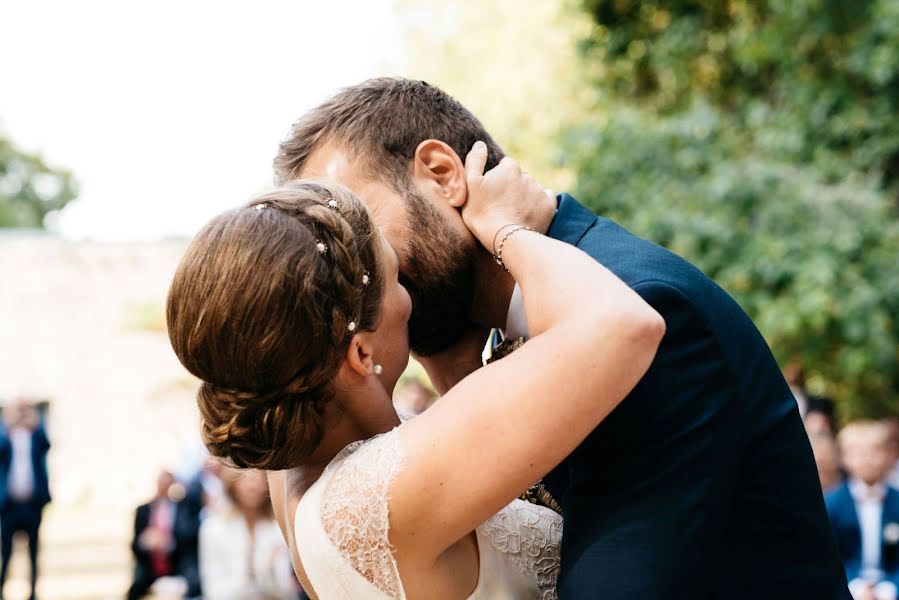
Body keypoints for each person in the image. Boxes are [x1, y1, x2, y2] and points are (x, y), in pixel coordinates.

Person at [271, 77, 850, 598]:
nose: (352, 279)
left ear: (443, 175)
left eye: (360, 228)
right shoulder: (496, 334)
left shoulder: (642, 307)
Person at [166, 157, 665, 598]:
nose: (410, 299)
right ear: (360, 352)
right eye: (395, 281)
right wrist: (507, 229)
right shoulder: (374, 495)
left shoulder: (295, 450)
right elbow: (626, 325)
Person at [827, 421, 899, 600]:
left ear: (890, 455)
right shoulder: (832, 503)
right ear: (844, 458)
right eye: (859, 453)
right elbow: (828, 555)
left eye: (875, 451)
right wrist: (856, 588)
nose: (868, 459)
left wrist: (889, 590)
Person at [199, 470, 297, 599]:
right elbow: (213, 591)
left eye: (259, 479)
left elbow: (285, 590)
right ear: (233, 483)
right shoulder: (213, 528)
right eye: (247, 478)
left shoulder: (277, 528)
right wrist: (259, 572)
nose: (253, 486)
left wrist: (269, 573)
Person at [0, 399, 51, 600]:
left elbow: (46, 443)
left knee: (33, 552)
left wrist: (35, 421)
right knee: (6, 551)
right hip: (10, 504)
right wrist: (8, 423)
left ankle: (33, 593)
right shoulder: (6, 436)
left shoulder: (35, 436)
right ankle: (2, 589)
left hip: (32, 503)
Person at [127, 470, 201, 600]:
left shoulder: (183, 509)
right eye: (161, 484)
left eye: (167, 484)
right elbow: (134, 545)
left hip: (177, 566)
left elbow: (190, 540)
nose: (163, 488)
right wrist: (145, 542)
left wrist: (168, 542)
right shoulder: (143, 510)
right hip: (149, 568)